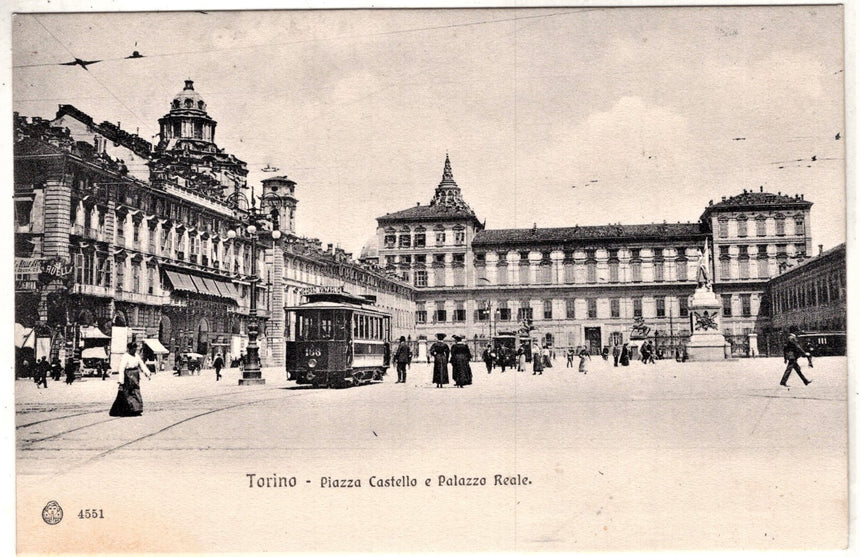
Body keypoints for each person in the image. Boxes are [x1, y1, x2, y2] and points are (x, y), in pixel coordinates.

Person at [110, 342, 151, 417]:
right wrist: (121, 381)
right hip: (128, 376)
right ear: (129, 349)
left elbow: (141, 364)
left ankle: (137, 409)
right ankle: (130, 410)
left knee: (136, 391)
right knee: (128, 393)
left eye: (135, 349)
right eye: (133, 349)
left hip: (135, 376)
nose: (134, 351)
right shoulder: (125, 356)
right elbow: (121, 369)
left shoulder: (136, 356)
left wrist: (147, 372)